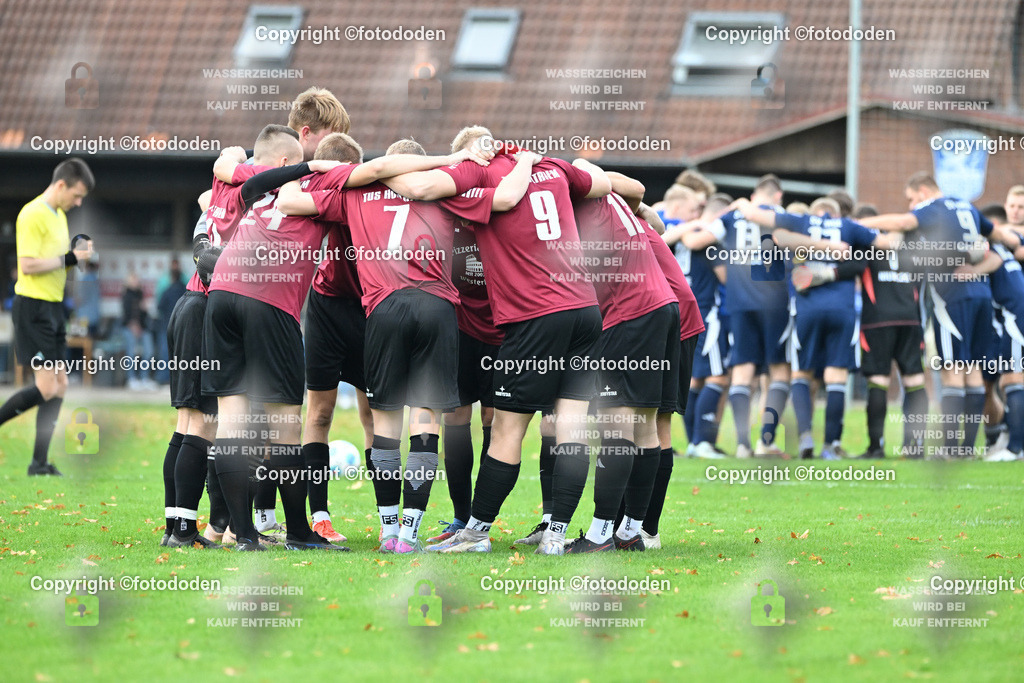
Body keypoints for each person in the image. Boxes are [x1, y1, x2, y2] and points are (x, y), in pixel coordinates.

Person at [0, 158, 94, 475]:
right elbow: (27, 265)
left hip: (54, 308)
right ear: (61, 185)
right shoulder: (32, 213)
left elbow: (54, 262)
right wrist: (68, 257)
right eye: (77, 195)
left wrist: (77, 257)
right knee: (46, 388)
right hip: (33, 308)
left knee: (61, 385)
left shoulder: (59, 216)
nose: (78, 202)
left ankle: (38, 463)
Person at [121, 271, 155, 391]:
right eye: (133, 279)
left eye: (137, 279)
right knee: (131, 353)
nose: (136, 282)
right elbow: (127, 314)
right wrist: (133, 326)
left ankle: (144, 378)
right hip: (130, 327)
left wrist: (144, 309)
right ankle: (131, 379)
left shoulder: (140, 294)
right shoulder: (126, 295)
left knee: (149, 351)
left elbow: (143, 312)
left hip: (143, 327)